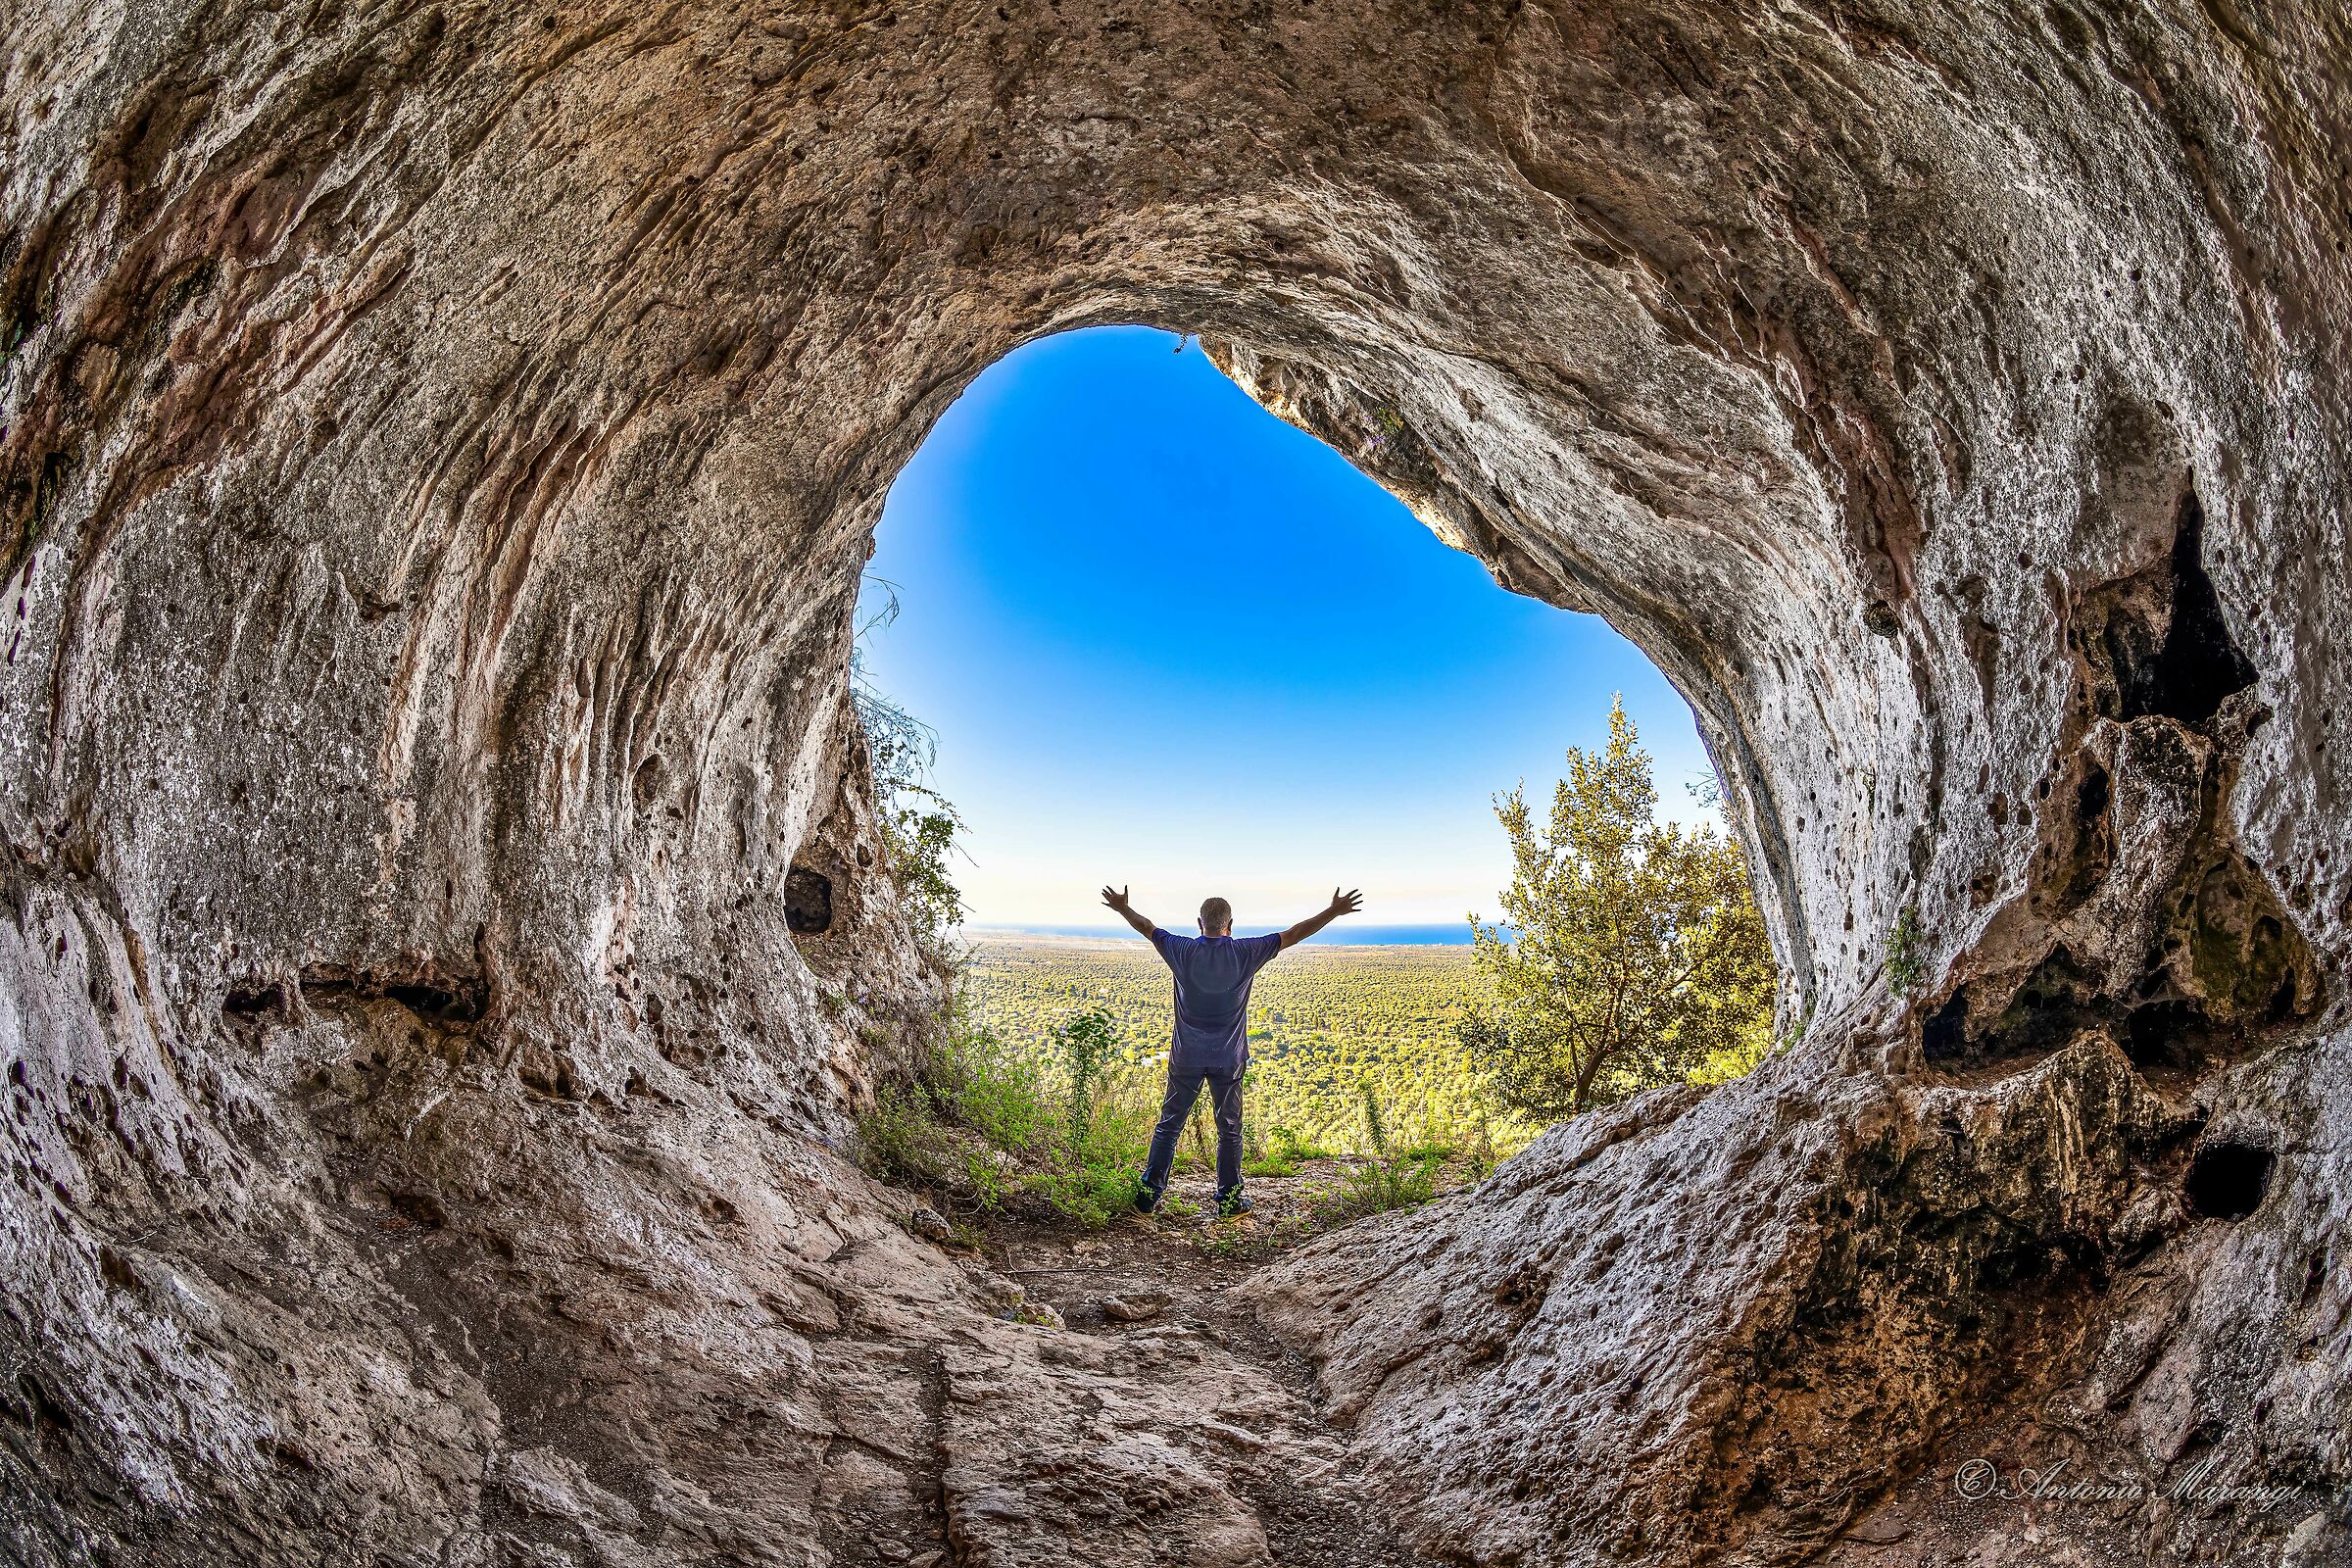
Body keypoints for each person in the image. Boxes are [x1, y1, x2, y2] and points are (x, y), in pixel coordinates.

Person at [1099, 884, 1364, 1216]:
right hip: (1229, 1059)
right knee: (1229, 1129)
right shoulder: (1245, 952)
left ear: (1200, 923)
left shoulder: (1181, 949)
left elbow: (1146, 927)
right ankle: (1229, 1200)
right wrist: (1333, 911)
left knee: (1169, 1125)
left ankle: (1147, 1197)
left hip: (1186, 1057)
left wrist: (1123, 907)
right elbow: (1295, 933)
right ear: (1230, 924)